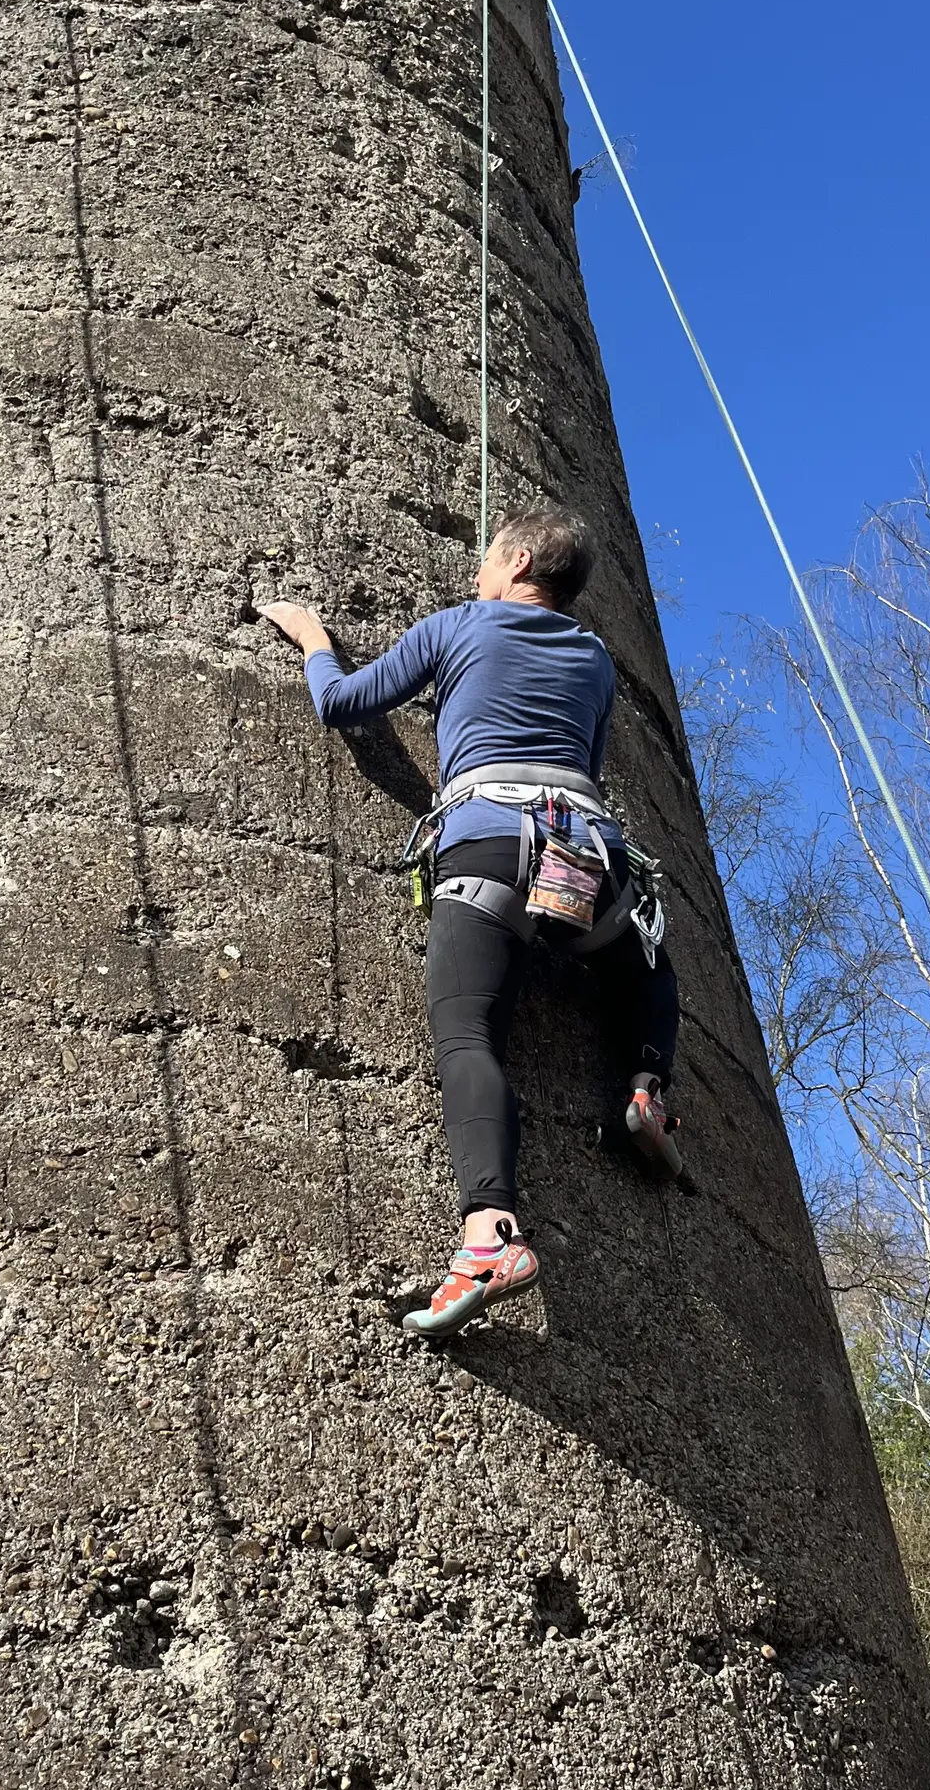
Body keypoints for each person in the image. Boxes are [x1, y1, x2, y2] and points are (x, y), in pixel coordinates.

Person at [261, 499, 681, 1340]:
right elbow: (585, 761)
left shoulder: (457, 626)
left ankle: (488, 1238)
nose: (477, 572)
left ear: (520, 563)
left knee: (468, 1036)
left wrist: (312, 637)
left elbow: (345, 703)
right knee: (647, 965)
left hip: (488, 843)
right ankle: (647, 1092)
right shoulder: (596, 660)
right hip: (586, 857)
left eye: (489, 558)